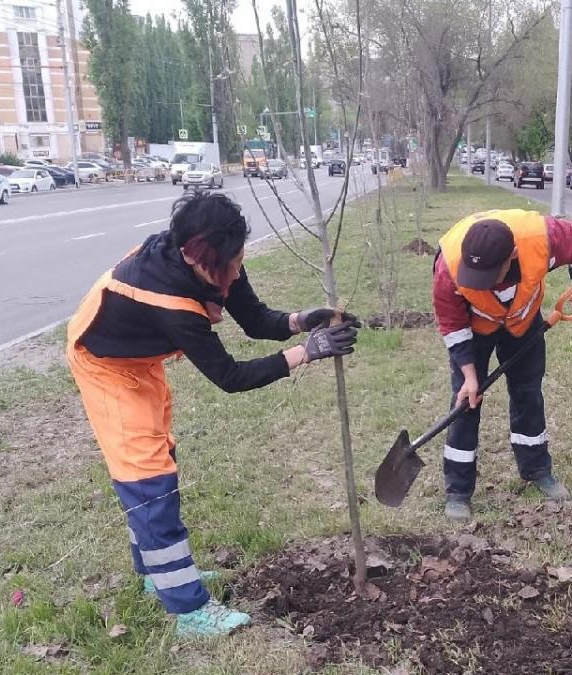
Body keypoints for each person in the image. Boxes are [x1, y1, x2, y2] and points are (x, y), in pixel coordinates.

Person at [65, 191, 359, 637]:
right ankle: (187, 611)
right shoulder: (167, 297)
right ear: (194, 255)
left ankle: (158, 577)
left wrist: (302, 320)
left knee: (159, 459)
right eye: (231, 263)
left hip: (138, 359)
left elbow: (256, 319)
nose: (237, 271)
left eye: (238, 259)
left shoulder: (215, 259)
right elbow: (230, 376)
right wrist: (307, 353)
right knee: (149, 481)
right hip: (105, 363)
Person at [432, 209, 572, 521]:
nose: (482, 283)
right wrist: (469, 374)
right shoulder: (448, 268)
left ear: (513, 255)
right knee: (466, 403)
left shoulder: (544, 238)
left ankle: (536, 470)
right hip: (474, 329)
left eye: (489, 275)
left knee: (528, 394)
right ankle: (458, 491)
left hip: (523, 320)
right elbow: (452, 323)